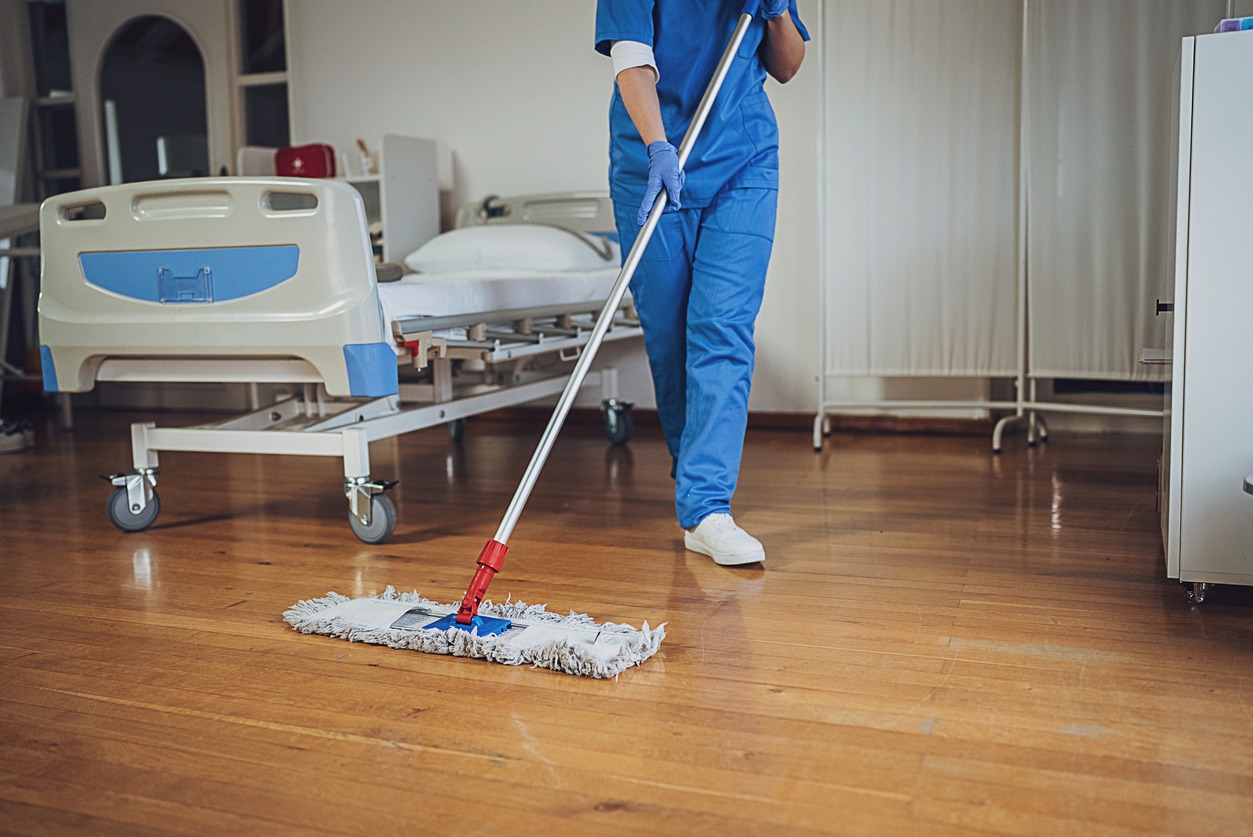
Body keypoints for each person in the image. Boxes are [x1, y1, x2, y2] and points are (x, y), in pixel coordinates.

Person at [594, 0, 807, 565]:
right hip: (655, 159)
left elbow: (787, 64)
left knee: (722, 326)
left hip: (745, 158)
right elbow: (632, 60)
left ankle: (707, 507)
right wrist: (658, 146)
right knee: (669, 340)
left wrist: (779, 11)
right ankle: (695, 483)